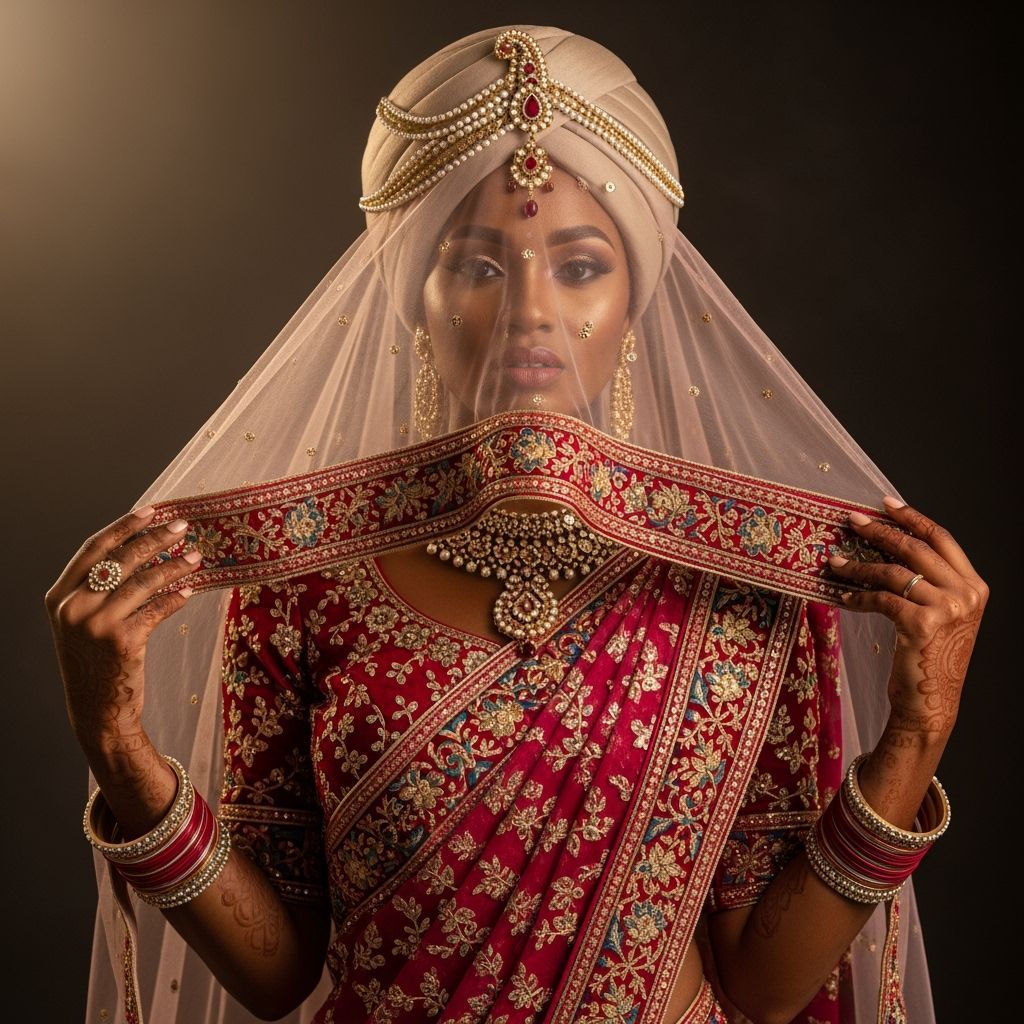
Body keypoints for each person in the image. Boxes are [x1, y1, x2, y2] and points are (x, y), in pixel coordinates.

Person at [45, 25, 987, 1024]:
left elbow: (766, 980)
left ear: (636, 294)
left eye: (581, 266)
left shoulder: (739, 584)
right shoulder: (307, 583)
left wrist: (916, 735)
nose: (531, 308)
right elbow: (277, 972)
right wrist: (117, 745)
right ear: (414, 295)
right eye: (480, 268)